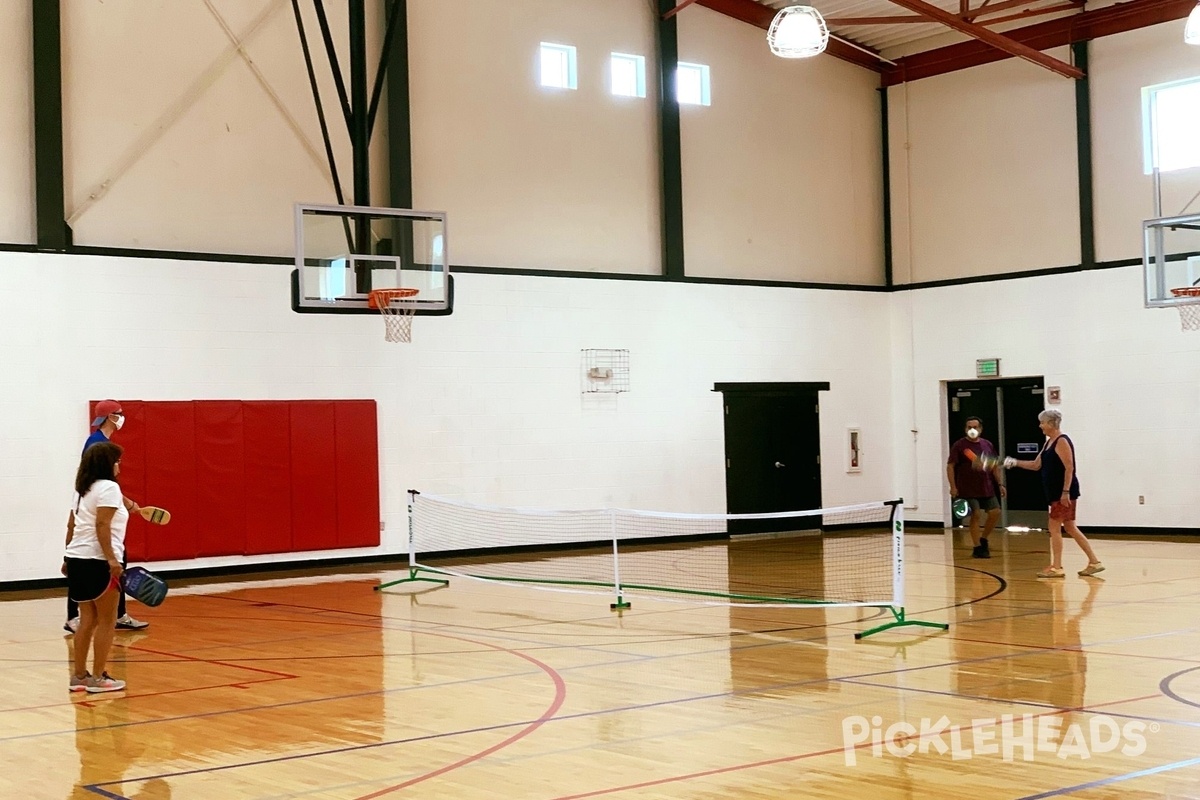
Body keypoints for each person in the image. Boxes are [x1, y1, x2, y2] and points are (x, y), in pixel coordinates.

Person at [65, 400, 149, 633]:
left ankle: (118, 614)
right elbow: (96, 483)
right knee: (99, 563)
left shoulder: (102, 442)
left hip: (100, 507)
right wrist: (126, 503)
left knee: (110, 560)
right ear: (110, 416)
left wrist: (125, 503)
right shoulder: (96, 443)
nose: (123, 417)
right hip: (95, 513)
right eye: (119, 414)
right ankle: (75, 617)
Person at [1006, 409, 1104, 578]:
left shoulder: (1061, 441)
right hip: (1055, 493)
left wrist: (1065, 492)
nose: (1040, 425)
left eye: (1042, 422)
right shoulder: (1048, 442)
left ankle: (1057, 567)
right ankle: (1094, 562)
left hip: (1063, 493)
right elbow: (1036, 465)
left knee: (1054, 527)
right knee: (1070, 527)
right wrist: (1015, 462)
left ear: (1051, 423)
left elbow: (1069, 467)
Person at [64, 442, 130, 693]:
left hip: (77, 559)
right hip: (99, 561)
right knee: (107, 620)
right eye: (116, 460)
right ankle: (99, 678)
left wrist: (66, 557)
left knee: (87, 619)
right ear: (106, 463)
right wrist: (112, 560)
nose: (118, 465)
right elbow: (102, 525)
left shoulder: (82, 490)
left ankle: (79, 676)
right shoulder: (110, 488)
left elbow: (71, 526)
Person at [947, 416, 1006, 558]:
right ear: (965, 429)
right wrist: (953, 486)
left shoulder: (987, 445)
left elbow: (994, 466)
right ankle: (977, 547)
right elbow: (950, 466)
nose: (972, 429)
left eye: (975, 426)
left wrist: (1000, 484)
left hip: (986, 487)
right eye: (969, 427)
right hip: (967, 488)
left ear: (980, 428)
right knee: (976, 514)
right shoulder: (959, 445)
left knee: (995, 512)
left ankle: (983, 538)